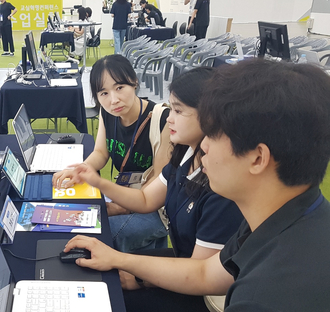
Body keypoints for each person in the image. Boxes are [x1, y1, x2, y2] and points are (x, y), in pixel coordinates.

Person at [64, 59, 330, 311]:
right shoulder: (278, 218)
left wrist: (132, 271)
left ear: (258, 158)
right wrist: (118, 258)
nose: (203, 146)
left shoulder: (267, 296)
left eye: (213, 135)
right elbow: (206, 272)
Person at [66, 67, 243, 311]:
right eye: (171, 109)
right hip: (184, 266)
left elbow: (201, 276)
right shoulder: (185, 155)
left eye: (178, 111)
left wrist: (135, 273)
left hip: (198, 292)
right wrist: (95, 181)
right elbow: (145, 199)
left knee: (106, 295)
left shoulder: (221, 186)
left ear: (211, 116)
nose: (169, 118)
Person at [53, 54, 171, 254]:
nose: (113, 100)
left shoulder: (162, 120)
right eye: (103, 93)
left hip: (156, 208)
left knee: (102, 233)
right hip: (125, 193)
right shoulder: (108, 112)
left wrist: (121, 208)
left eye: (119, 88)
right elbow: (101, 152)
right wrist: (82, 169)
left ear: (134, 82)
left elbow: (157, 188)